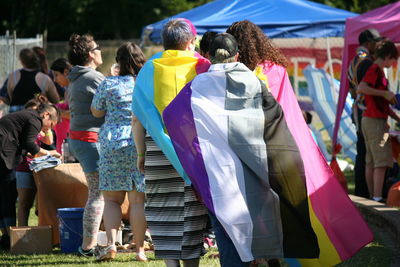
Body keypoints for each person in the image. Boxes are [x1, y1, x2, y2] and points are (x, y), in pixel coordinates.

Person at [163, 32, 318, 267]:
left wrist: (193, 151)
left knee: (225, 231)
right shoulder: (254, 82)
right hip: (254, 170)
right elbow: (275, 119)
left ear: (208, 56)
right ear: (237, 55)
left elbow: (171, 115)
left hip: (217, 174)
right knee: (258, 226)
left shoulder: (197, 86)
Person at [132, 18, 209, 267]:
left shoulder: (148, 69)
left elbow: (137, 119)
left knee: (164, 209)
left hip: (157, 149)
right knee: (192, 208)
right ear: (189, 42)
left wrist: (140, 154)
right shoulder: (202, 65)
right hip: (192, 151)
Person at [90, 42, 147, 262]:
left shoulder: (109, 83)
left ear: (119, 61)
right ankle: (140, 250)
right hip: (137, 140)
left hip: (112, 143)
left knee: (112, 200)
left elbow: (96, 111)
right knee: (137, 202)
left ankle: (111, 245)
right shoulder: (143, 84)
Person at [0, 100, 60, 250]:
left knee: (3, 197)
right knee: (8, 196)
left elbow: (22, 144)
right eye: (51, 124)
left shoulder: (27, 116)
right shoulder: (35, 119)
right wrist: (50, 153)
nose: (49, 128)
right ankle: (10, 237)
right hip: (3, 156)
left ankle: (6, 236)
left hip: (4, 151)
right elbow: (29, 144)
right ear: (46, 115)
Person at [67, 33, 105, 256]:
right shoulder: (93, 77)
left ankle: (100, 241)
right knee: (98, 195)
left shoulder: (76, 76)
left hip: (79, 139)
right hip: (90, 139)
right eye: (98, 47)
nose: (100, 51)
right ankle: (88, 247)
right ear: (91, 54)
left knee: (98, 193)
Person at [347, 29, 389, 198]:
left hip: (361, 112)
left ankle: (364, 194)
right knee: (368, 156)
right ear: (368, 43)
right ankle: (367, 194)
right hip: (367, 112)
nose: (377, 45)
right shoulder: (365, 62)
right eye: (375, 42)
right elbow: (365, 89)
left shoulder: (354, 60)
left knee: (365, 154)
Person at [358, 39, 400, 203]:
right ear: (388, 56)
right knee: (381, 161)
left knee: (371, 161)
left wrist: (396, 117)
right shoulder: (375, 69)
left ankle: (372, 197)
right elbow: (361, 88)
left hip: (370, 119)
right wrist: (384, 94)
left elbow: (381, 102)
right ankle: (376, 197)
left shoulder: (377, 71)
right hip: (374, 121)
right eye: (394, 59)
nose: (394, 62)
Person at [16, 96, 56, 227]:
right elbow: (24, 147)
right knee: (24, 203)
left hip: (39, 168)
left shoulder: (39, 127)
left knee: (43, 203)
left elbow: (49, 142)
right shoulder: (24, 126)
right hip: (23, 167)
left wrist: (48, 127)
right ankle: (22, 232)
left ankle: (43, 232)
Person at [2, 48, 59, 112]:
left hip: (15, 117)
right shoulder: (44, 78)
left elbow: (10, 98)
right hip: (35, 116)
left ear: (21, 61)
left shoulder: (13, 76)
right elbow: (55, 100)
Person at [50, 58, 72, 154]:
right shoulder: (68, 90)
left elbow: (75, 114)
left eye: (56, 75)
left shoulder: (74, 89)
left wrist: (55, 111)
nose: (55, 80)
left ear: (66, 72)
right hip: (66, 139)